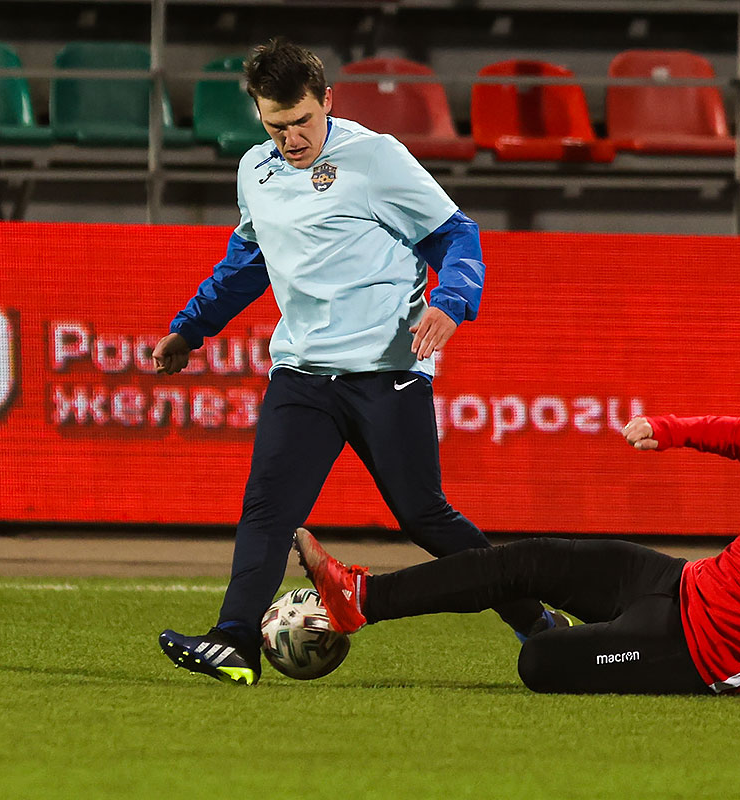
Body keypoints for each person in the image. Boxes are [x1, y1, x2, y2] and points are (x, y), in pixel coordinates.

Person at [156, 39, 556, 686]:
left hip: (384, 370)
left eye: (302, 122)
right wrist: (190, 329)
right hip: (302, 374)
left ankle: (538, 624)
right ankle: (235, 641)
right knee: (268, 512)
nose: (290, 139)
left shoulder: (376, 157)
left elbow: (455, 234)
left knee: (424, 517)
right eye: (276, 126)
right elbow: (248, 261)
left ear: (327, 101)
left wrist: (450, 302)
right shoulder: (255, 170)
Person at [293, 376, 740, 700]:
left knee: (539, 665)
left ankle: (573, 640)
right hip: (678, 584)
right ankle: (361, 599)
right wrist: (670, 429)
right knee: (528, 558)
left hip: (698, 658)